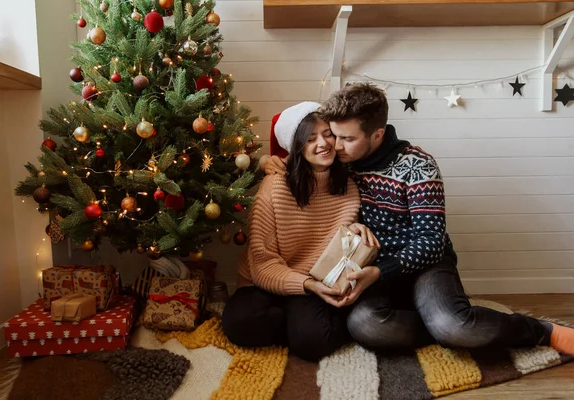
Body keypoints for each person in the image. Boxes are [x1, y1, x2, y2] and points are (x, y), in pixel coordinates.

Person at [265, 83, 574, 356]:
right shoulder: (342, 163)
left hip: (425, 264)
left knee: (452, 325)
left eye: (346, 138)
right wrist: (268, 163)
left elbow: (430, 242)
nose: (335, 146)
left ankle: (540, 330)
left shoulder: (417, 165)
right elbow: (299, 161)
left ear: (377, 134)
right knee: (365, 325)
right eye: (335, 135)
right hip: (371, 266)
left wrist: (379, 272)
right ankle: (442, 327)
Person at [221, 101, 379, 361]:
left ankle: (301, 327)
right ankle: (297, 325)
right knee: (239, 324)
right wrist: (305, 285)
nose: (323, 144)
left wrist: (355, 229)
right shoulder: (274, 186)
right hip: (267, 280)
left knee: (312, 343)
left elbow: (339, 247)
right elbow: (262, 264)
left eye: (328, 134)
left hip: (316, 283)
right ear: (296, 146)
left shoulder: (348, 185)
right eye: (310, 138)